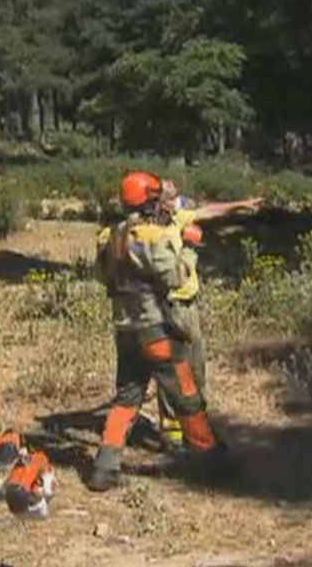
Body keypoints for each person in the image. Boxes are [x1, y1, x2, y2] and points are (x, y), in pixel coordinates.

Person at [89, 172, 253, 491]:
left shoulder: (107, 236)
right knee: (186, 395)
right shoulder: (154, 237)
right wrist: (190, 246)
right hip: (156, 332)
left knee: (126, 399)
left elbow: (103, 277)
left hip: (124, 331)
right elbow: (176, 277)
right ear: (150, 200)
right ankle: (211, 461)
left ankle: (104, 468)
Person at [153, 181, 262, 447]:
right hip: (170, 305)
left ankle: (198, 429)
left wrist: (241, 204)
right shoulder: (152, 231)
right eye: (173, 196)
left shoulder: (180, 217)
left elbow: (209, 211)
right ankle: (172, 433)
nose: (178, 201)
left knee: (197, 367)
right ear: (160, 202)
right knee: (173, 370)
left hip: (189, 306)